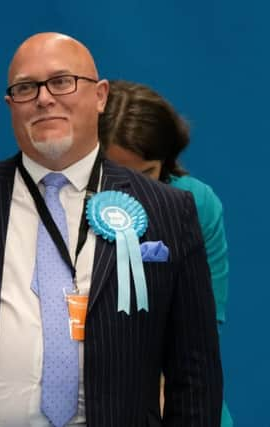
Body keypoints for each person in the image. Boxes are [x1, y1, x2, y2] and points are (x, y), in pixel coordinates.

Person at [0, 33, 222, 427]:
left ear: (101, 96)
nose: (44, 98)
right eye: (26, 88)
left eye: (61, 82)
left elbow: (194, 371)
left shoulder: (167, 211)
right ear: (10, 106)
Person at [99, 80, 232, 426]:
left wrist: (162, 388)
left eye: (147, 175)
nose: (133, 191)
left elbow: (203, 329)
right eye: (115, 175)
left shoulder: (196, 203)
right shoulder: (58, 202)